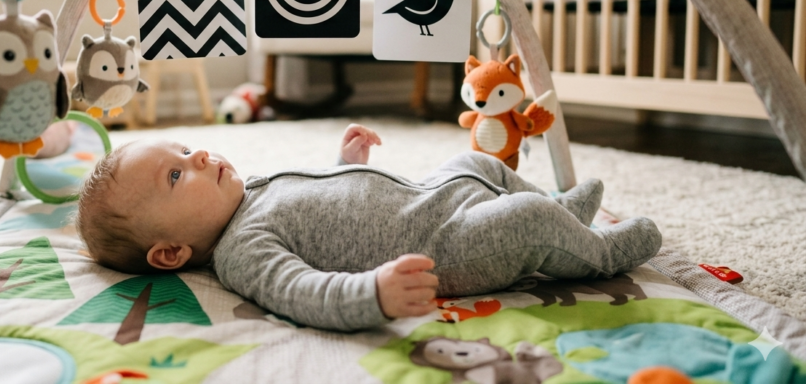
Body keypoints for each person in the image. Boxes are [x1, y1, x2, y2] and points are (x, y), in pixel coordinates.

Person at [75, 124, 662, 331]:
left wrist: (345, 164)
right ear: (173, 253)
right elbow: (305, 294)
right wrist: (372, 294)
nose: (199, 156)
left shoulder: (249, 190)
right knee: (522, 220)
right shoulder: (243, 251)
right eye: (177, 177)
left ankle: (562, 208)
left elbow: (327, 198)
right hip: (451, 245)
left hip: (434, 193)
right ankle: (599, 253)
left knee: (478, 163)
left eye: (184, 149)